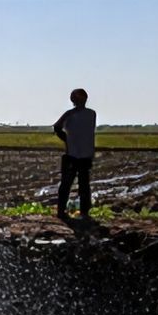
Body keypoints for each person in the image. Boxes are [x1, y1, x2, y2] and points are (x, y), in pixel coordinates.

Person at [53, 88, 97, 220]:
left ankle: (65, 212)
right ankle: (80, 212)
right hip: (80, 154)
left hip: (76, 154)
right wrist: (68, 140)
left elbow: (57, 127)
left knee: (72, 184)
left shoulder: (71, 114)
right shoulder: (90, 114)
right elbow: (57, 127)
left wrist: (67, 139)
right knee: (80, 185)